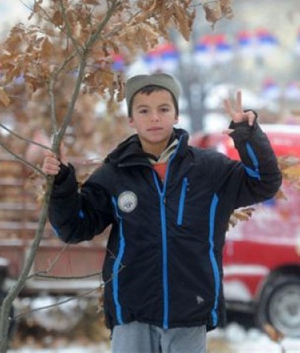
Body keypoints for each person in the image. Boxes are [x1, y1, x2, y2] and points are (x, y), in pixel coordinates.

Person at [42, 72, 282, 353]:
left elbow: (264, 183)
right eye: (144, 111)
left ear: (176, 115)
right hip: (132, 312)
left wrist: (247, 137)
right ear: (131, 119)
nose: (154, 117)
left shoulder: (209, 170)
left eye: (163, 109)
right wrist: (61, 184)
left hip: (191, 309)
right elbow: (73, 228)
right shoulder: (114, 174)